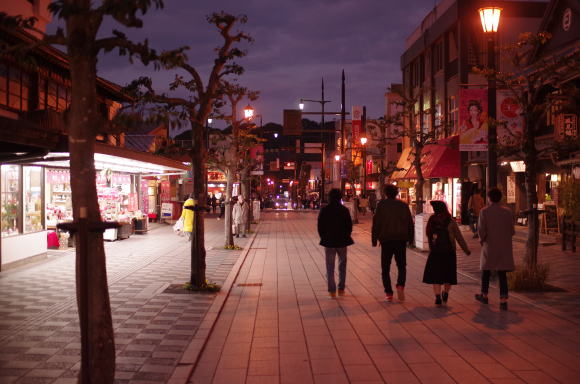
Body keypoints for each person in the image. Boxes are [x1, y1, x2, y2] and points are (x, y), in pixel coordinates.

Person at [423, 201, 471, 306]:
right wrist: (466, 250)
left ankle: (437, 297)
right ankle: (445, 292)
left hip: (435, 252)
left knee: (436, 275)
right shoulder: (450, 221)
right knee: (448, 275)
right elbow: (459, 237)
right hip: (449, 252)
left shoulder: (432, 220)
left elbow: (428, 234)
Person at [372, 184, 414, 302]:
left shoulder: (382, 205)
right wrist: (411, 238)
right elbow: (410, 223)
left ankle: (389, 293)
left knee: (385, 267)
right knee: (401, 265)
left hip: (386, 240)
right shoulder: (403, 205)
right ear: (396, 193)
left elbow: (376, 223)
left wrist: (374, 239)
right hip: (400, 240)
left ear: (385, 193)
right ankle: (400, 285)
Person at [475, 188, 515, 311]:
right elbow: (512, 230)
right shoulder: (508, 212)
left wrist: (482, 240)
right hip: (504, 246)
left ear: (489, 198)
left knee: (486, 271)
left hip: (489, 245)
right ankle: (503, 300)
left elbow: (481, 230)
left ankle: (484, 295)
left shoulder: (484, 212)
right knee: (502, 273)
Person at [317, 189, 354, 297]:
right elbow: (349, 226)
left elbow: (320, 226)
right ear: (340, 198)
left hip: (329, 241)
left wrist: (323, 237)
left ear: (330, 198)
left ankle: (332, 290)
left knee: (330, 266)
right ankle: (341, 288)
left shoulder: (325, 210)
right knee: (342, 265)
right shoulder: (344, 210)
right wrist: (347, 235)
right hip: (342, 241)